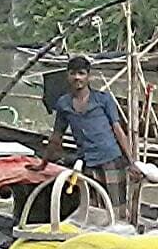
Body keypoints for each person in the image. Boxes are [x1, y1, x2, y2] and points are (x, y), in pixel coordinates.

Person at [35, 55, 140, 210]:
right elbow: (57, 137)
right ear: (67, 76)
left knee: (116, 207)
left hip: (110, 159)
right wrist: (43, 164)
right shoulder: (64, 104)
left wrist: (132, 162)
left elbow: (118, 130)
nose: (77, 77)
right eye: (73, 73)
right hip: (87, 162)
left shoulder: (103, 99)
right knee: (92, 209)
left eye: (82, 73)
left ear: (89, 76)